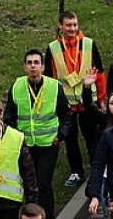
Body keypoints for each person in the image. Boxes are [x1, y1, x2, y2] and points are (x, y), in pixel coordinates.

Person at [5, 50, 73, 219]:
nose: (33, 66)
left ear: (42, 66)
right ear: (25, 67)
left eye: (36, 63)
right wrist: (14, 139)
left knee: (43, 185)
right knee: (28, 186)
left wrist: (61, 136)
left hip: (48, 144)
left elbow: (66, 114)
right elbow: (9, 116)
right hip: (25, 145)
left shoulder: (53, 86)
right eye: (29, 63)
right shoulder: (17, 86)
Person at [45, 10, 108, 188]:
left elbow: (101, 72)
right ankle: (77, 171)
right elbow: (49, 77)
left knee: (91, 136)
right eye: (68, 25)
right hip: (65, 101)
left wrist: (101, 98)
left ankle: (95, 170)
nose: (72, 28)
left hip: (88, 99)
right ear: (60, 26)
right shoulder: (53, 48)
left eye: (74, 25)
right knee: (70, 138)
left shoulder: (88, 44)